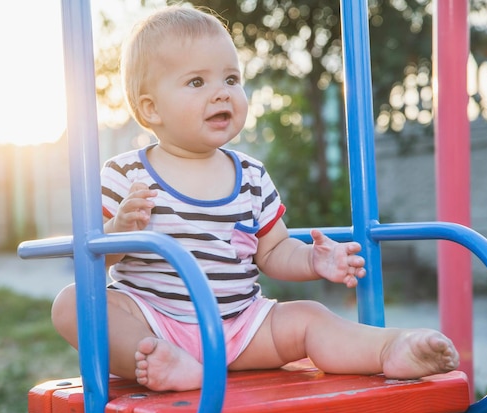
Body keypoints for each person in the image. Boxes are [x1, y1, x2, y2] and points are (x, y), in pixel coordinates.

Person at [51, 5, 459, 392]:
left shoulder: (251, 176)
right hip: (155, 324)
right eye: (197, 82)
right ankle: (168, 363)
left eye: (231, 79)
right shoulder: (125, 175)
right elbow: (91, 260)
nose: (222, 93)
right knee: (73, 303)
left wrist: (313, 260)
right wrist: (119, 230)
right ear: (150, 108)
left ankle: (390, 349)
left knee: (308, 317)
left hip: (242, 328)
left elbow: (274, 251)